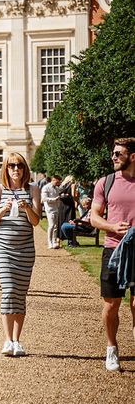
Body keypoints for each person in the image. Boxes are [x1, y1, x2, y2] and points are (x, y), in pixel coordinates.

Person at [88, 137, 135, 372]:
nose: (114, 157)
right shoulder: (105, 183)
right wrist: (112, 227)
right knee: (111, 304)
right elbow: (93, 216)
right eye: (113, 153)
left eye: (119, 153)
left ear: (133, 157)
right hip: (113, 248)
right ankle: (112, 348)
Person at [0, 151, 41, 357]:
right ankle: (7, 339)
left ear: (24, 169)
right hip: (2, 247)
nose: (15, 169)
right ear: (6, 169)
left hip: (25, 249)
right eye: (11, 166)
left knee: (20, 293)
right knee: (9, 290)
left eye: (19, 165)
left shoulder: (33, 189)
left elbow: (35, 222)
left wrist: (27, 207)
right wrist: (3, 210)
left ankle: (17, 340)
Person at [41, 174, 64, 250]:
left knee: (55, 226)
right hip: (50, 209)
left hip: (56, 208)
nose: (58, 183)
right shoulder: (46, 188)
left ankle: (54, 241)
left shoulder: (57, 188)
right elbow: (44, 199)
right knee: (51, 225)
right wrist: (53, 199)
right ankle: (49, 242)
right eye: (57, 182)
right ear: (53, 180)